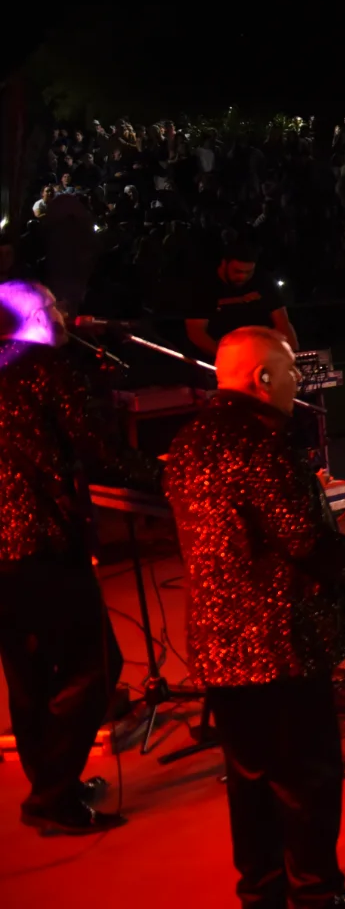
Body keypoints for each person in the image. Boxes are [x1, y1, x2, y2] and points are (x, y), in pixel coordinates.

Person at [165, 327, 345, 908]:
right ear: (262, 378)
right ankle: (318, 895)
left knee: (250, 780)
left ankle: (263, 892)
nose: (299, 382)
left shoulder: (190, 439)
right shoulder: (263, 443)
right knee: (307, 780)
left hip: (219, 642)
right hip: (278, 644)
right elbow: (306, 542)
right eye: (291, 372)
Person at [0, 280, 148, 835]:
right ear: (37, 314)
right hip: (38, 543)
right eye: (53, 304)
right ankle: (53, 794)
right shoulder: (45, 369)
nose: (63, 312)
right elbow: (98, 450)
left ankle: (50, 786)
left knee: (27, 673)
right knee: (96, 662)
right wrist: (168, 476)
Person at [185, 244, 298, 357]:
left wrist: (294, 355)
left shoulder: (263, 280)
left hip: (260, 350)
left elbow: (282, 322)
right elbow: (196, 332)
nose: (243, 277)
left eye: (249, 272)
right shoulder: (204, 284)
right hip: (219, 352)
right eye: (237, 271)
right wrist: (224, 357)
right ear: (224, 264)